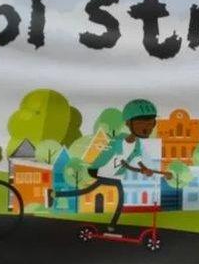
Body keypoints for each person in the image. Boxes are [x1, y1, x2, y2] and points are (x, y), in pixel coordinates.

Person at [56, 98, 171, 233]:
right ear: (128, 123)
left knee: (118, 199)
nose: (147, 127)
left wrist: (144, 168)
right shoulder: (118, 141)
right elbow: (122, 162)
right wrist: (140, 169)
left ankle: (112, 224)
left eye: (151, 122)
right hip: (102, 171)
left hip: (115, 175)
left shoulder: (137, 144)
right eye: (141, 122)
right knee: (88, 191)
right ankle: (56, 194)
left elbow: (136, 159)